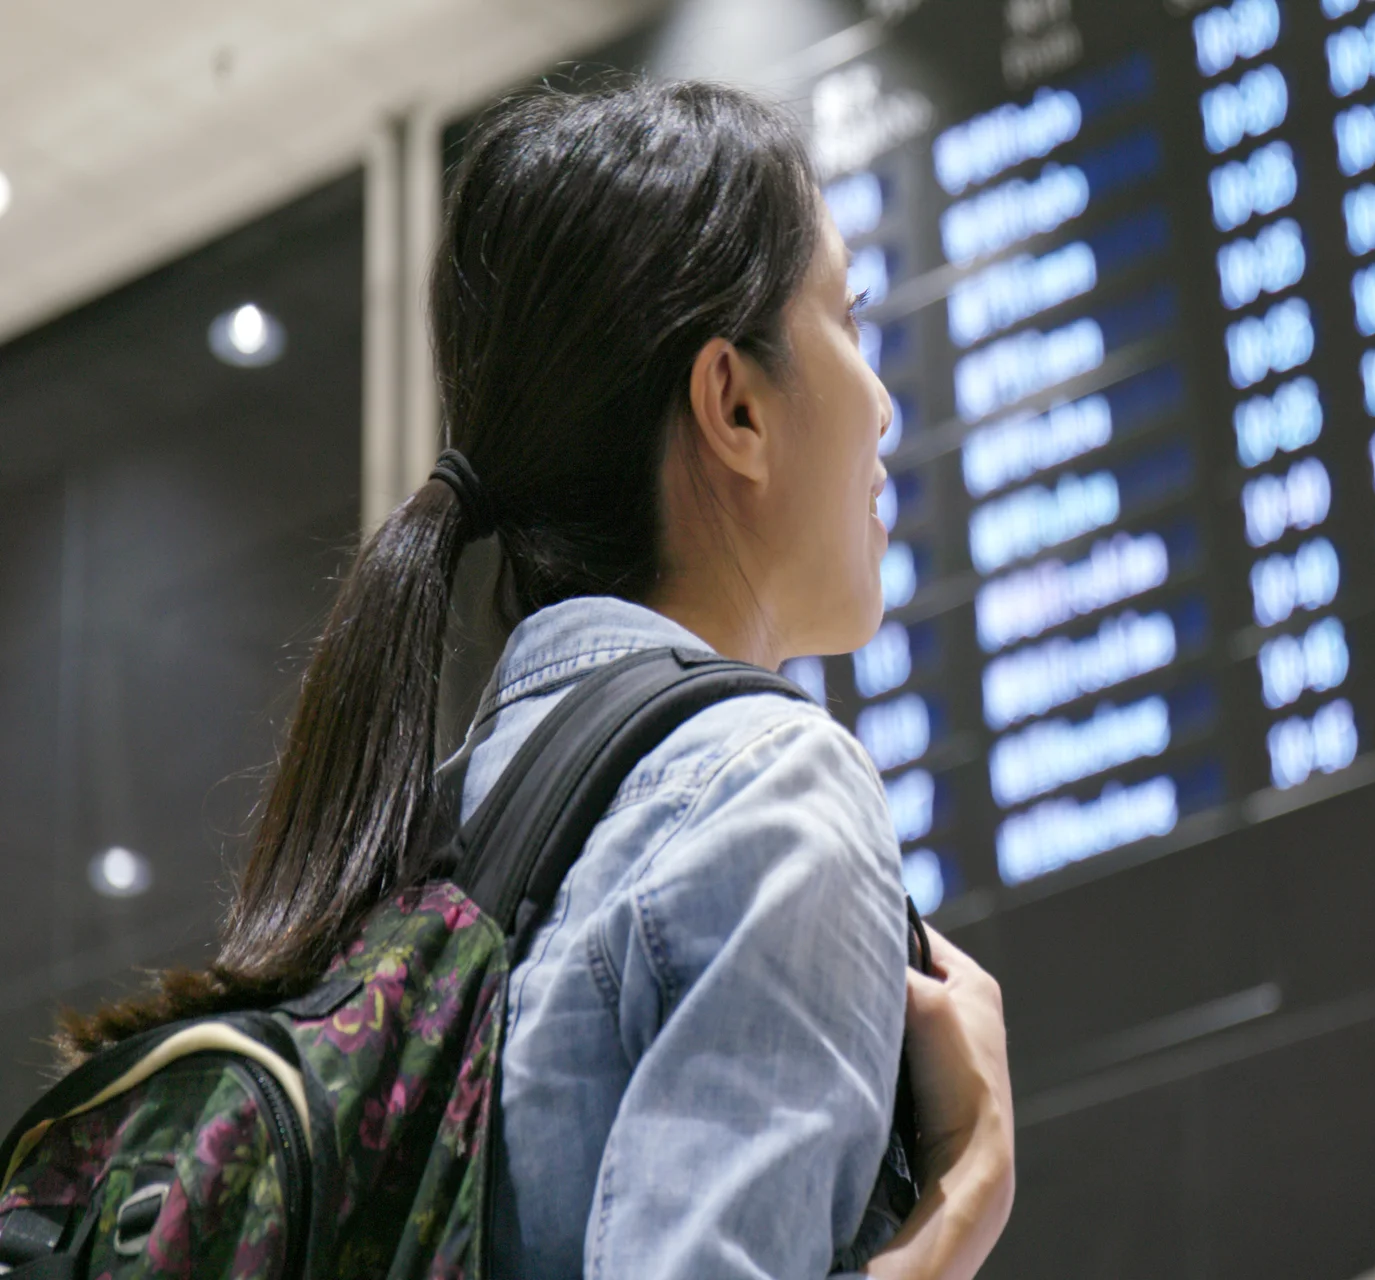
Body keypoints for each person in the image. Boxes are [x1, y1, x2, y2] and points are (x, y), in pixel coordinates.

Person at [58, 79, 1014, 1278]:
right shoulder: (769, 789)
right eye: (849, 320)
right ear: (734, 402)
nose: (881, 404)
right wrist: (966, 1191)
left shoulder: (428, 850)